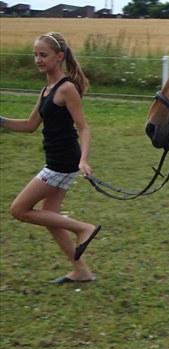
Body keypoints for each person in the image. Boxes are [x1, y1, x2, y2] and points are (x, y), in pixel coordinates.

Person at [0, 32, 101, 283]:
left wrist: (84, 160)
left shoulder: (66, 88)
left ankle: (83, 228)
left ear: (59, 56)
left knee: (19, 209)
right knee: (50, 217)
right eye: (35, 55)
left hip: (63, 162)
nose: (38, 59)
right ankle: (81, 271)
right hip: (59, 160)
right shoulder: (47, 89)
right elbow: (29, 125)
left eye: (43, 55)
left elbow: (84, 127)